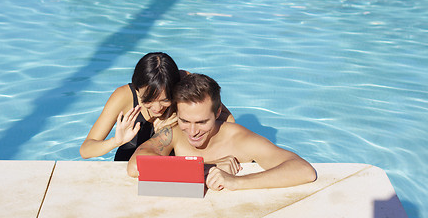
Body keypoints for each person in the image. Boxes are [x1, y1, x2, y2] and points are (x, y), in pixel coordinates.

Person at [127, 73, 317, 191]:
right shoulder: (174, 132)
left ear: (218, 113)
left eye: (202, 122)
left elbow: (303, 170)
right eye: (185, 120)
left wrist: (236, 182)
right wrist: (208, 168)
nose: (192, 131)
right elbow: (135, 167)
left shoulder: (239, 139)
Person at [80, 52, 234, 161]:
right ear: (137, 88)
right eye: (147, 100)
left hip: (174, 165)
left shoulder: (184, 83)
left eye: (165, 100)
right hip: (130, 165)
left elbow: (229, 120)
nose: (157, 108)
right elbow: (86, 149)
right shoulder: (123, 96)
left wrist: (174, 122)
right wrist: (116, 141)